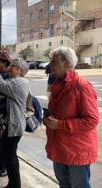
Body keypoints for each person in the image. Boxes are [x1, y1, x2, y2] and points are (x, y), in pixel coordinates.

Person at [43, 46, 99, 188]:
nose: (50, 65)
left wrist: (60, 124)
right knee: (64, 184)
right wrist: (48, 119)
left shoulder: (82, 86)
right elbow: (57, 113)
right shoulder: (57, 85)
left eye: (54, 61)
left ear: (66, 63)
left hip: (77, 150)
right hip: (59, 146)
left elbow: (91, 120)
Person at [0, 58, 29, 188]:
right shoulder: (10, 80)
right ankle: (13, 183)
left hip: (12, 126)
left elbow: (1, 85)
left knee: (10, 158)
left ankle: (15, 185)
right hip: (4, 126)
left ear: (21, 71)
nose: (10, 68)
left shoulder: (20, 82)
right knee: (8, 156)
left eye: (14, 66)